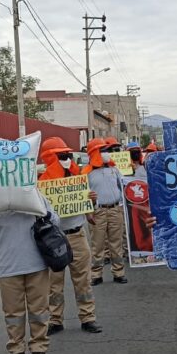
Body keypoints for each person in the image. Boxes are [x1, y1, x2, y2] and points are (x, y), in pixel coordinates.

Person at [0, 197, 56, 354]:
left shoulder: (36, 197)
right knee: (13, 313)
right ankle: (17, 350)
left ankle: (39, 349)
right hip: (8, 268)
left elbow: (56, 220)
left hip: (36, 265)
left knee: (39, 310)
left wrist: (44, 213)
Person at [39, 137, 102, 335]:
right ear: (51, 158)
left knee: (83, 280)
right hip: (53, 238)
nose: (67, 159)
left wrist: (92, 201)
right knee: (53, 283)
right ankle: (55, 320)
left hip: (77, 235)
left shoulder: (78, 179)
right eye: (62, 156)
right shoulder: (42, 185)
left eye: (68, 155)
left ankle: (88, 317)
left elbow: (89, 212)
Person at [83, 138, 127, 285]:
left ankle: (118, 272)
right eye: (103, 150)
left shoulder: (114, 169)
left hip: (115, 209)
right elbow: (82, 195)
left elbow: (124, 187)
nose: (107, 153)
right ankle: (96, 274)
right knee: (98, 245)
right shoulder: (86, 172)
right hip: (98, 212)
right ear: (94, 153)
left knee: (116, 243)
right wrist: (88, 211)